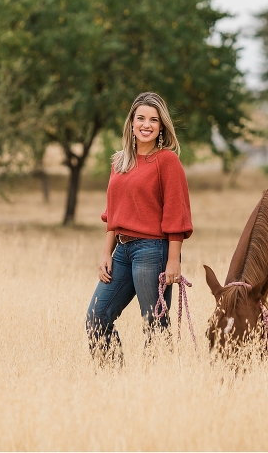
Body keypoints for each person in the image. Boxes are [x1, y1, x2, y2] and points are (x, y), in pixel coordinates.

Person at [85, 92, 193, 365]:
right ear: (131, 123)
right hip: (122, 250)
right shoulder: (120, 161)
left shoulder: (166, 161)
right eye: (141, 118)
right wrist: (106, 253)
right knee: (97, 317)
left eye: (154, 120)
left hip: (152, 249)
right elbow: (113, 213)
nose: (147, 124)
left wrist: (172, 261)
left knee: (154, 323)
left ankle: (157, 387)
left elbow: (176, 213)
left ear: (161, 127)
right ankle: (112, 382)